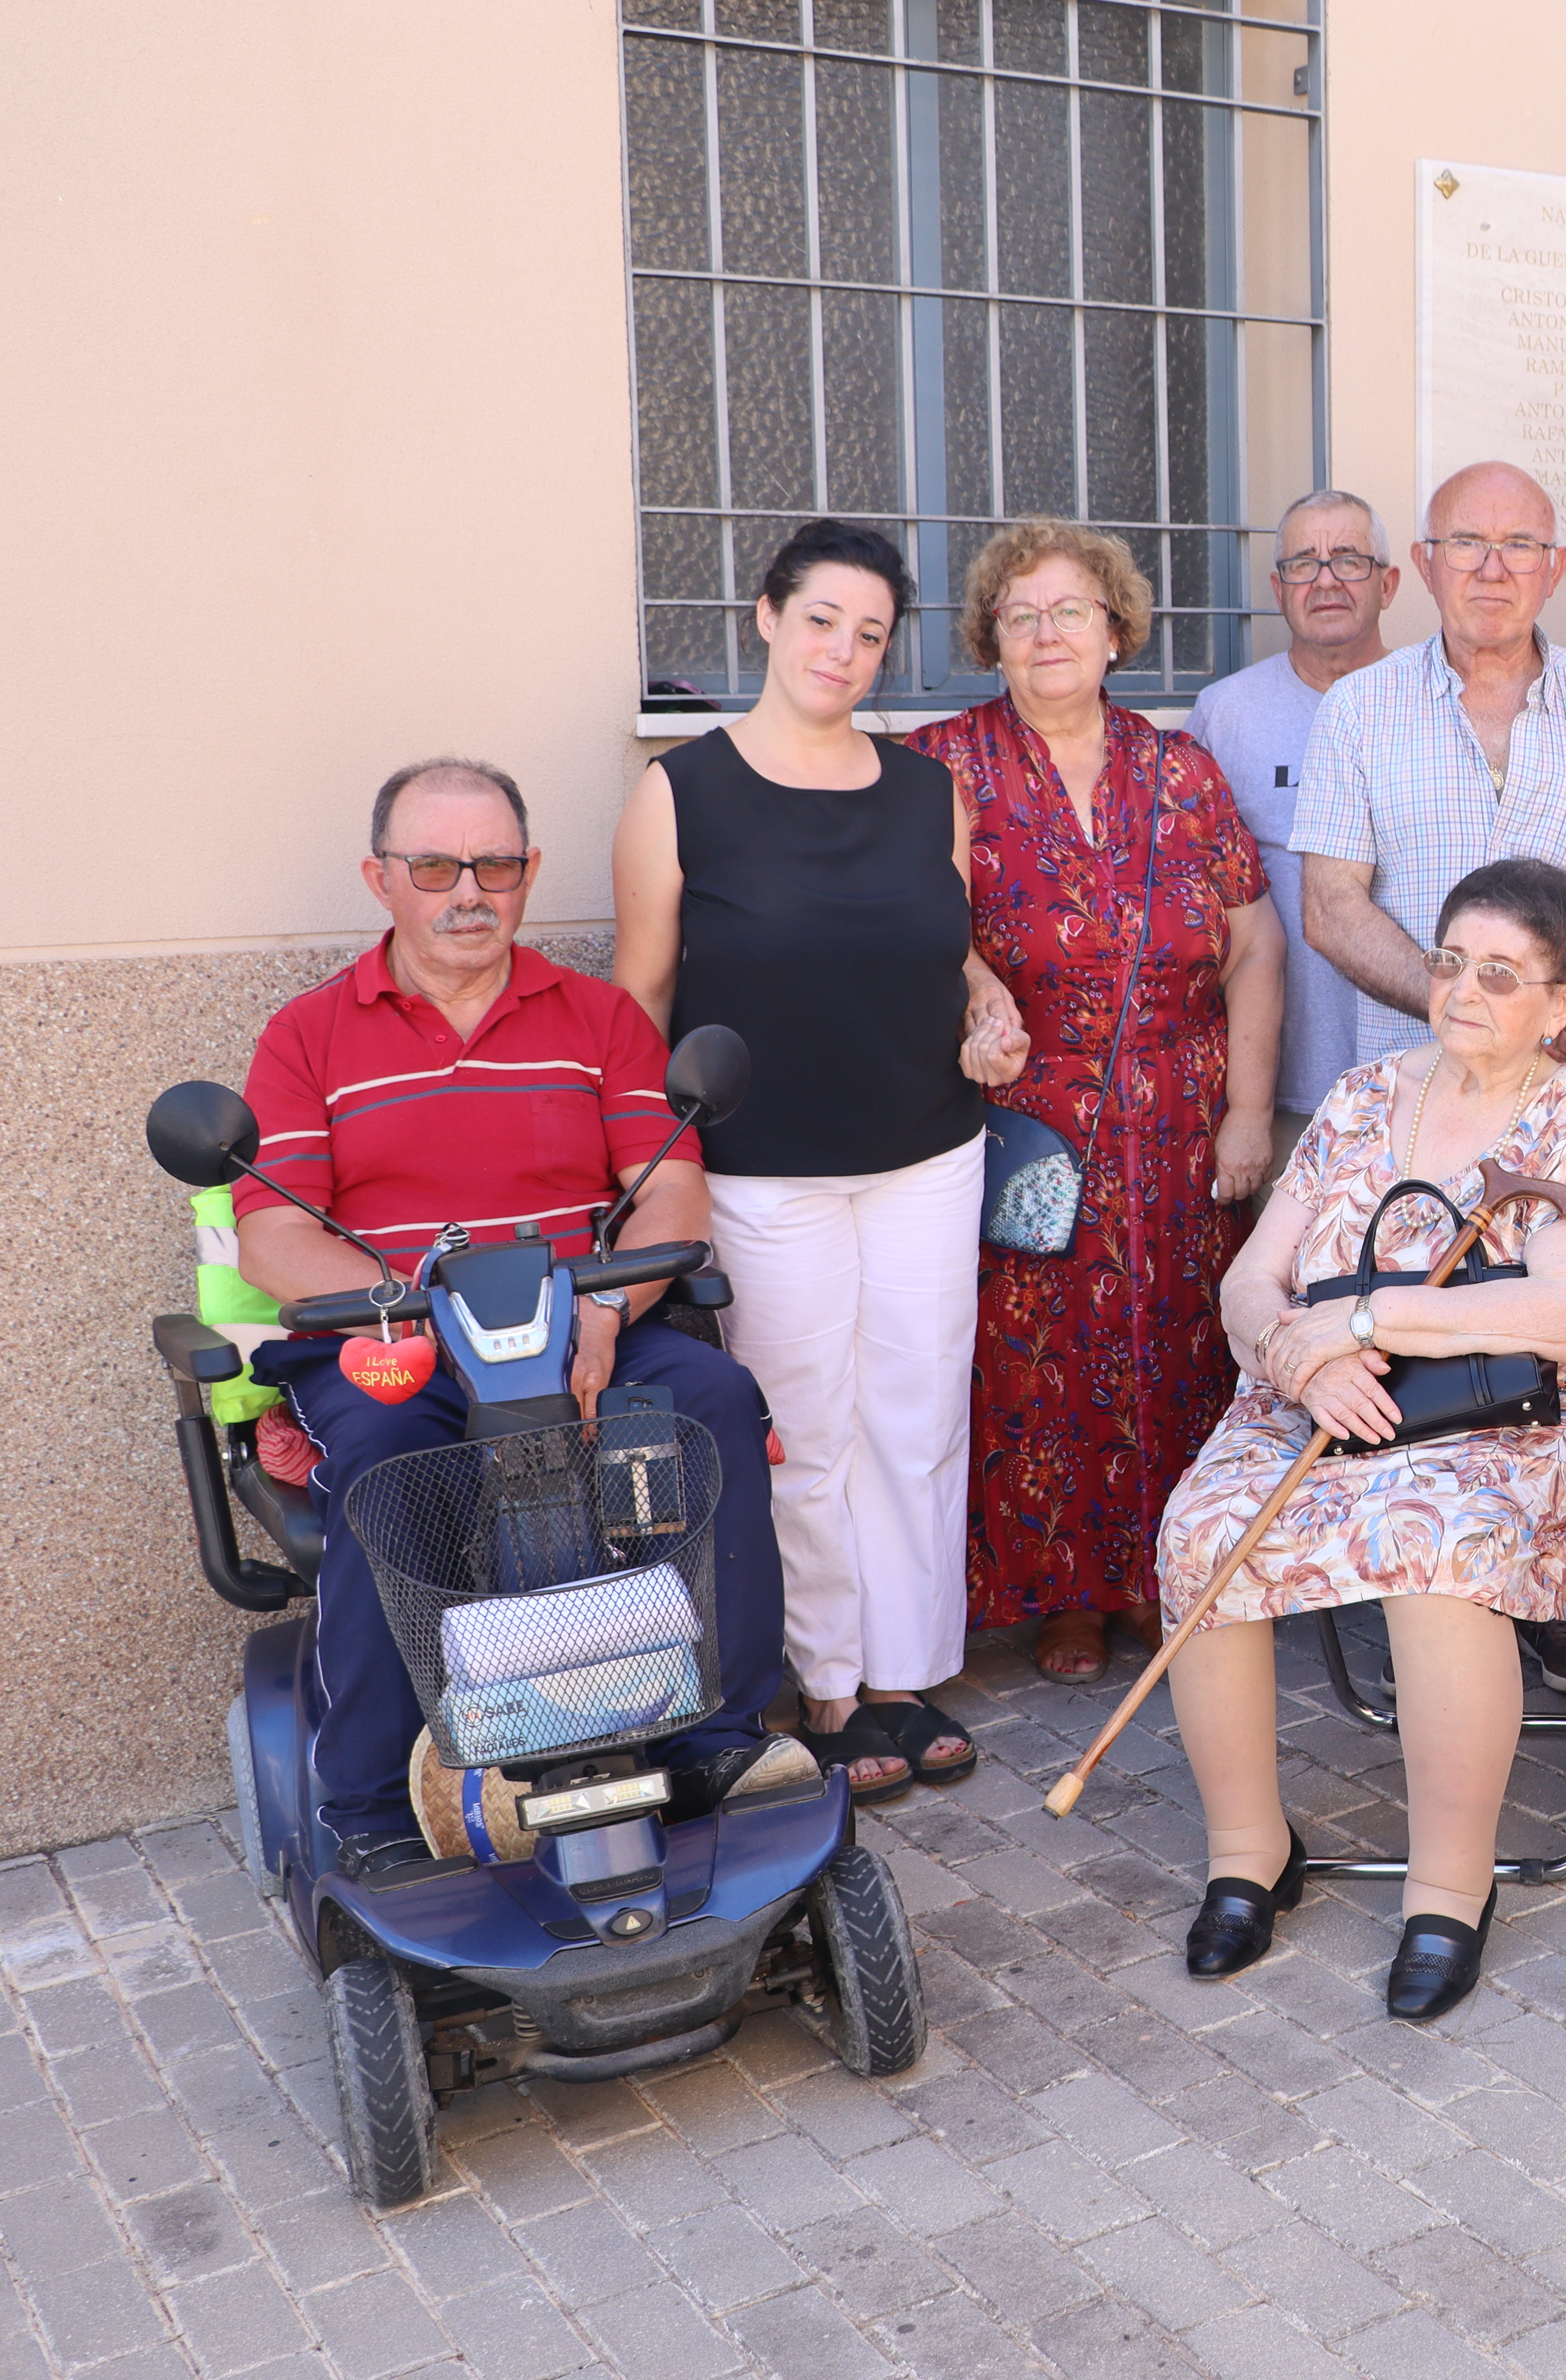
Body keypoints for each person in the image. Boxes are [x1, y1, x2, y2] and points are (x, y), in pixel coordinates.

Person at [238, 760, 800, 1875]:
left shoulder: (595, 1019)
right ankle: (373, 1808)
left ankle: (721, 1746)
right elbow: (274, 1235)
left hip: (579, 1322)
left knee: (713, 1400)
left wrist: (606, 1307)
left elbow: (670, 1190)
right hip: (395, 1341)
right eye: (435, 865)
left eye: (496, 865)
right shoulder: (308, 1036)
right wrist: (415, 1317)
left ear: (530, 873)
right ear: (380, 877)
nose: (468, 892)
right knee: (392, 1454)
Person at [1154, 859, 1566, 2023]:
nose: (1464, 990)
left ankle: (1448, 1887)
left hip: (1517, 1403)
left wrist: (1367, 1318)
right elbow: (1248, 1282)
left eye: (1501, 973)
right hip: (1329, 1393)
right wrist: (1302, 1355)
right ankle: (1248, 1851)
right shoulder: (1362, 1095)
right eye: (1449, 962)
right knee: (1203, 1530)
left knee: (1439, 1542)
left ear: (1564, 1004)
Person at [615, 521, 1016, 1798]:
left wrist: (989, 1004)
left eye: (871, 631)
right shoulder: (682, 791)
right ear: (768, 619)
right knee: (807, 1425)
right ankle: (831, 1684)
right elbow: (638, 1000)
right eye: (822, 619)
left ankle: (907, 1671)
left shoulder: (926, 789)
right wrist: (630, 1171)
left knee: (916, 1410)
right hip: (760, 1163)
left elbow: (950, 946)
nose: (843, 648)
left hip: (927, 1148)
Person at [908, 523, 1283, 1687]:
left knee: (1178, 1345)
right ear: (991, 640)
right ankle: (1064, 1591)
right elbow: (919, 919)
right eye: (1020, 615)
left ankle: (1158, 1574)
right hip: (1029, 1110)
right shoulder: (943, 764)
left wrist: (1251, 1113)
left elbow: (1254, 942)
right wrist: (974, 989)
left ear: (1117, 630)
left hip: (1181, 1107)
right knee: (1035, 1356)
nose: (1047, 632)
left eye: (1071, 610)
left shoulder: (1182, 769)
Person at [1294, 461, 1566, 1107]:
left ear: (1555, 569)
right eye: (1466, 542)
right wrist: (1465, 1009)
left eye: (1519, 545)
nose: (1492, 568)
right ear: (1425, 565)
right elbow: (1332, 908)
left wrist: (1560, 1013)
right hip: (1411, 1092)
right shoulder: (1357, 709)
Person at [1183, 491, 1391, 1182]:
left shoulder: (1440, 698)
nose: (1326, 579)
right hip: (1284, 1094)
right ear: (1278, 589)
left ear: (1389, 583)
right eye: (1304, 562)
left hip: (1429, 1076)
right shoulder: (1225, 715)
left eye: (1349, 560)